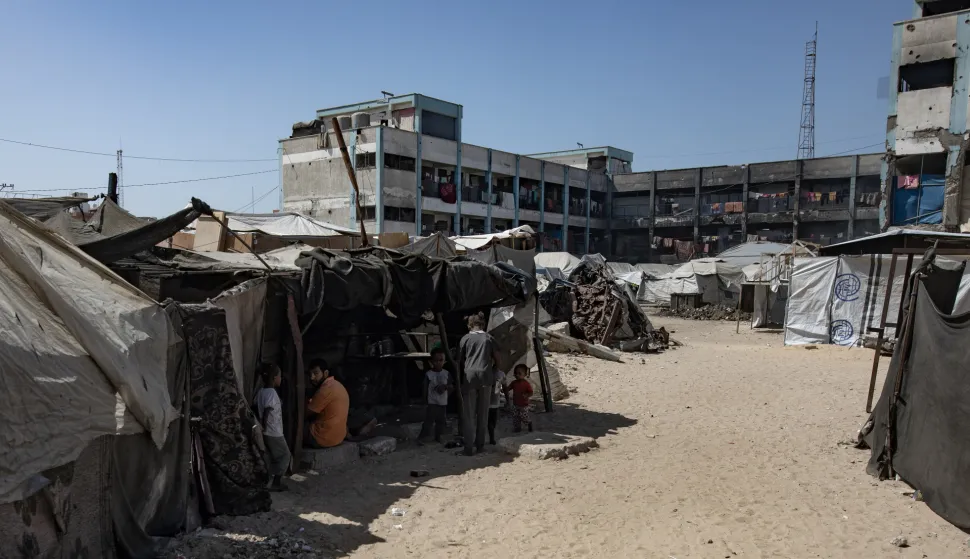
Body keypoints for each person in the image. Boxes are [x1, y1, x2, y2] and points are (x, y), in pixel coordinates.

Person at [458, 312, 500, 455]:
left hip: (469, 375)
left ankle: (468, 448)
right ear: (483, 324)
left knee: (469, 414)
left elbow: (460, 359)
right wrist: (494, 369)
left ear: (469, 325)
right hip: (485, 376)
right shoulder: (489, 338)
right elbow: (497, 357)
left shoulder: (465, 338)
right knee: (483, 413)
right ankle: (480, 445)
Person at [254, 362, 289, 491]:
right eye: (280, 376)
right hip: (273, 432)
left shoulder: (261, 392)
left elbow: (256, 406)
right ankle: (276, 482)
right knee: (285, 455)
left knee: (272, 456)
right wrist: (264, 424)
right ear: (274, 378)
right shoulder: (271, 393)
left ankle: (269, 480)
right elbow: (268, 410)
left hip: (267, 431)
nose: (281, 378)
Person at [305, 359, 349, 448]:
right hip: (339, 437)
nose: (312, 377)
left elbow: (306, 413)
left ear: (325, 373)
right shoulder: (337, 384)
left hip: (324, 439)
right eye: (310, 374)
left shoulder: (325, 389)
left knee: (292, 425)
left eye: (316, 373)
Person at [419, 348, 452, 443]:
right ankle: (422, 437)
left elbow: (451, 386)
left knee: (441, 421)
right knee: (429, 421)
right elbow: (425, 388)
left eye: (441, 360)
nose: (438, 363)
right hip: (432, 402)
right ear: (432, 361)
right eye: (436, 360)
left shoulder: (446, 374)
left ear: (444, 361)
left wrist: (446, 389)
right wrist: (424, 400)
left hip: (442, 403)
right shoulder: (429, 374)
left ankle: (438, 437)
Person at [507, 364, 534, 433]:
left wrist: (526, 395)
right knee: (515, 417)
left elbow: (531, 392)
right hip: (515, 404)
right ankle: (517, 428)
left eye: (519, 373)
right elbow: (508, 388)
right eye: (515, 373)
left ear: (525, 374)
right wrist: (503, 390)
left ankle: (529, 422)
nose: (517, 375)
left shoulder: (526, 384)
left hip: (524, 405)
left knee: (523, 416)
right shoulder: (513, 383)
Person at [488, 367, 507, 445]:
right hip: (487, 403)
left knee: (492, 422)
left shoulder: (500, 374)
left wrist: (507, 400)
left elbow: (504, 387)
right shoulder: (499, 374)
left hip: (493, 403)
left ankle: (491, 438)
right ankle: (491, 438)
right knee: (490, 422)